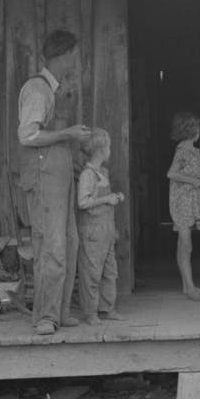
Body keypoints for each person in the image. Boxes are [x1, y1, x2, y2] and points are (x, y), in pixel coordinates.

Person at [16, 29, 92, 335]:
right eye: (73, 54)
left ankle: (60, 311)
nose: (76, 60)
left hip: (60, 180)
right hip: (45, 180)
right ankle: (45, 317)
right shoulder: (38, 89)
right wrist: (69, 134)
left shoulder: (55, 89)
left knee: (69, 244)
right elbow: (28, 135)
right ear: (63, 55)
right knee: (52, 247)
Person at [166, 111, 200, 301]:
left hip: (189, 203)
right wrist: (193, 182)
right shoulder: (183, 151)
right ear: (190, 130)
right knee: (185, 246)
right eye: (197, 127)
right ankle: (190, 288)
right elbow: (171, 173)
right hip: (182, 206)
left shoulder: (192, 150)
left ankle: (188, 286)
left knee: (184, 246)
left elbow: (192, 176)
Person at [76, 128, 125, 324]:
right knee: (92, 272)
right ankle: (91, 313)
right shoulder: (88, 174)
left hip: (106, 230)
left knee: (110, 271)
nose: (110, 150)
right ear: (101, 150)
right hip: (93, 230)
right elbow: (82, 202)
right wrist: (107, 198)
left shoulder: (102, 172)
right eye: (109, 147)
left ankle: (108, 308)